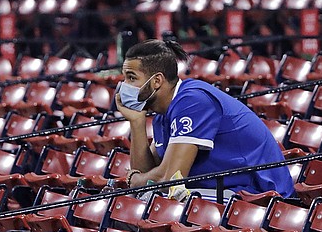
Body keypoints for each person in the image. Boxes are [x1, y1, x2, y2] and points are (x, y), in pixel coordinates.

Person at [115, 39, 295, 202]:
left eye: (131, 77)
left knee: (148, 204)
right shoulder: (163, 114)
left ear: (157, 81)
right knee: (135, 203)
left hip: (257, 195)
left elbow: (170, 178)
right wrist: (137, 122)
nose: (124, 85)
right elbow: (148, 174)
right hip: (223, 192)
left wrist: (137, 180)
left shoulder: (193, 101)